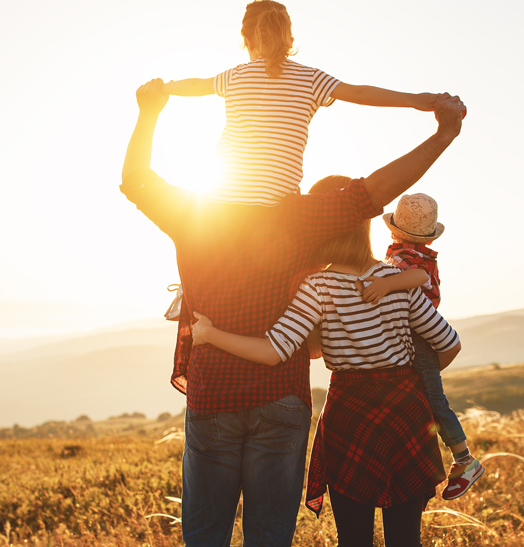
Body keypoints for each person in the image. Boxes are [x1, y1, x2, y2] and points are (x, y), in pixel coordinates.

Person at [120, 78, 465, 547]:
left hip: (216, 393)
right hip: (289, 398)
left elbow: (136, 179)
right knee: (271, 537)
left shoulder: (193, 212)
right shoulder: (303, 220)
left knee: (204, 535)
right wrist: (443, 134)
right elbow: (377, 191)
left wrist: (149, 111)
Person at [189, 176, 462, 546]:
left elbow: (276, 351)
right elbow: (449, 344)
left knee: (352, 538)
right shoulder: (399, 279)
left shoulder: (317, 286)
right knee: (405, 538)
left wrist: (209, 334)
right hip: (406, 412)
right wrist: (407, 380)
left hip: (350, 414)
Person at [163, 0, 444, 206]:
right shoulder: (311, 78)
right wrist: (415, 100)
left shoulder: (235, 76)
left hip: (220, 199)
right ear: (290, 40)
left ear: (246, 41)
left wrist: (163, 88)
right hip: (277, 202)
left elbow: (196, 85)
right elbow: (359, 94)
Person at [357, 192, 484, 499]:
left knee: (433, 400)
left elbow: (417, 277)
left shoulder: (410, 259)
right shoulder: (408, 253)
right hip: (413, 336)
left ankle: (464, 459)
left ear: (393, 229)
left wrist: (386, 284)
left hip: (418, 336)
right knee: (420, 398)